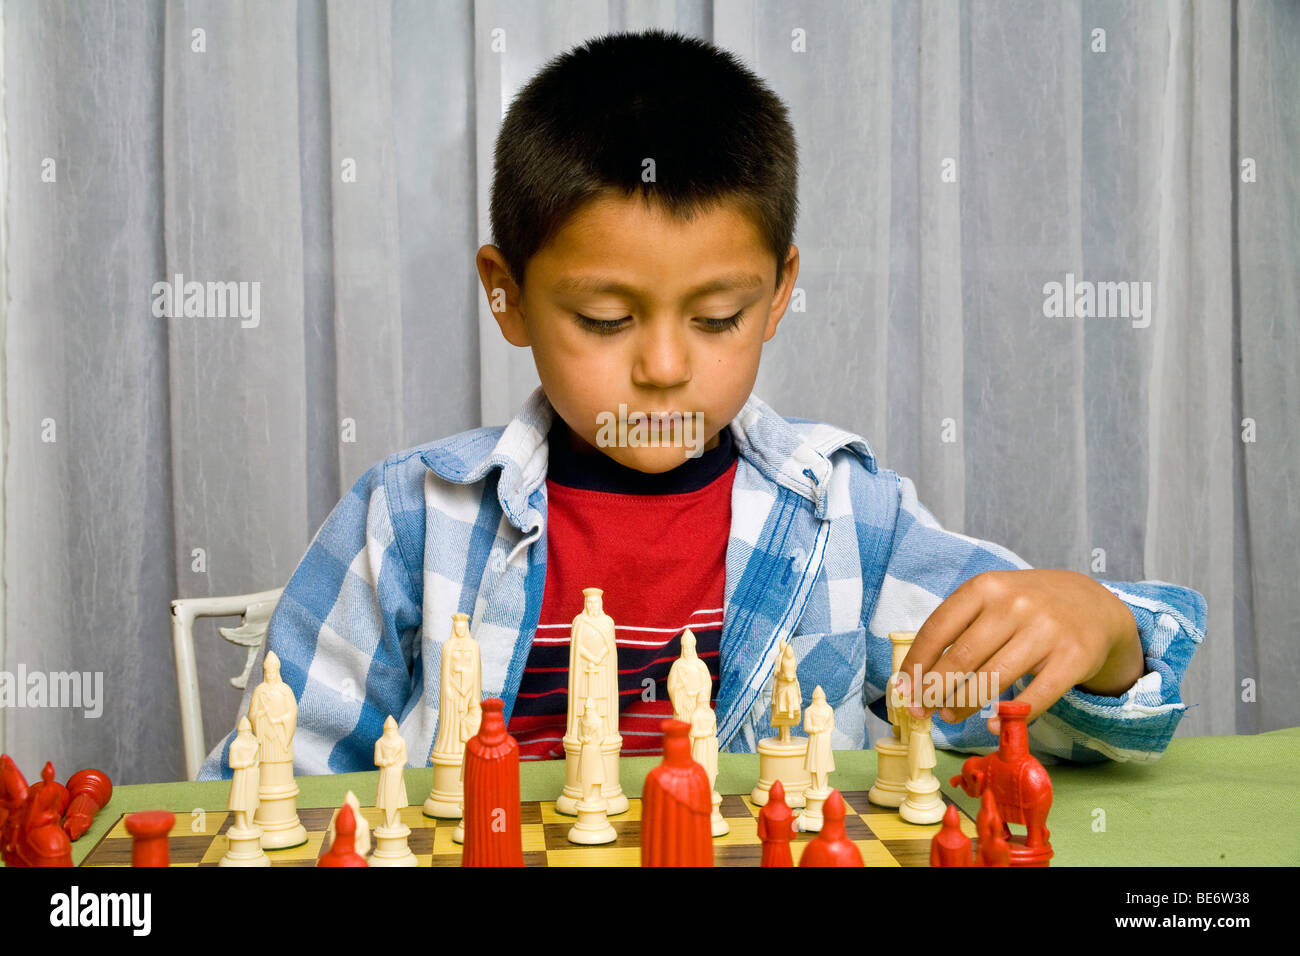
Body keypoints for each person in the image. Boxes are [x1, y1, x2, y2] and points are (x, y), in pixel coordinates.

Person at [198, 29, 1204, 780]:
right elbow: (264, 782)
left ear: (777, 293)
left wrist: (1106, 633)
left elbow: (1029, 721)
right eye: (602, 318)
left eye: (718, 316)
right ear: (505, 293)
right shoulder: (410, 519)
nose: (665, 368)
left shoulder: (849, 518)